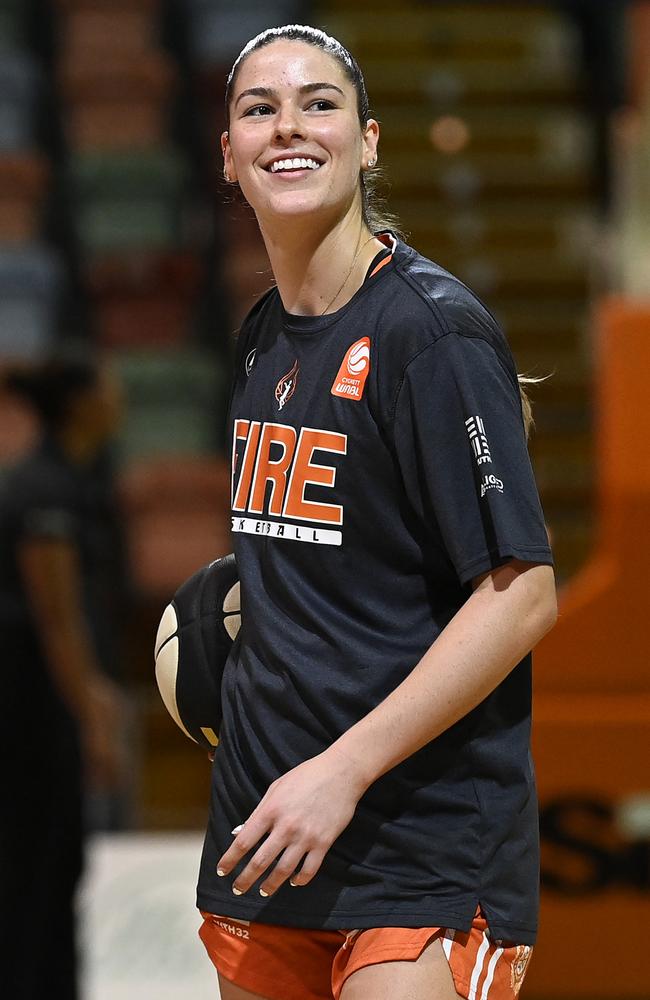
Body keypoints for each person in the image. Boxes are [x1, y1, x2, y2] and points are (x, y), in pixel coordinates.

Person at [197, 24, 557, 1000]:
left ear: (367, 140)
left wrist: (342, 769)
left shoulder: (428, 332)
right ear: (227, 155)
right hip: (267, 831)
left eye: (318, 102)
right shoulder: (261, 339)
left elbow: (520, 595)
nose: (288, 125)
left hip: (419, 841)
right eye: (257, 108)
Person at [0, 353, 126, 999]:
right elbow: (57, 619)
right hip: (31, 706)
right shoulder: (44, 488)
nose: (118, 397)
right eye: (108, 385)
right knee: (36, 862)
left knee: (49, 864)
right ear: (79, 402)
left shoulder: (70, 480)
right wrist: (93, 715)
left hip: (43, 702)